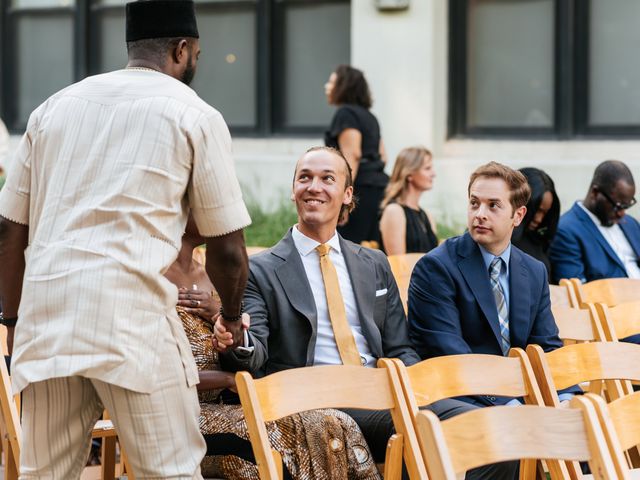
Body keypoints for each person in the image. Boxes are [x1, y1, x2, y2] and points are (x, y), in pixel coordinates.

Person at [0, 1, 251, 478]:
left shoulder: (53, 107)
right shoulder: (195, 115)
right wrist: (234, 317)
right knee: (171, 471)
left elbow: (9, 231)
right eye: (196, 52)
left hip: (49, 316)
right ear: (183, 49)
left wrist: (12, 319)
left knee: (43, 474)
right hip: (132, 321)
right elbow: (228, 249)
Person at [214, 147, 510, 480]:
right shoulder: (262, 270)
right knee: (445, 431)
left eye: (328, 178)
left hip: (382, 392)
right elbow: (254, 353)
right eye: (305, 177)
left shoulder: (373, 263)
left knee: (493, 431)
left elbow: (400, 347)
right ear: (292, 190)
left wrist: (415, 390)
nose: (314, 186)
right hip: (313, 402)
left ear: (347, 194)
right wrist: (236, 339)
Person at [166, 217, 381, 480]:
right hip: (180, 414)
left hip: (236, 401)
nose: (217, 212)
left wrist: (218, 316)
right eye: (202, 203)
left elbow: (240, 348)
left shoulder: (215, 275)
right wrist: (229, 379)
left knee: (336, 423)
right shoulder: (153, 278)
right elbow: (155, 374)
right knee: (312, 429)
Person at [408, 162, 580, 412]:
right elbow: (451, 355)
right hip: (460, 397)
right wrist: (510, 404)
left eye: (493, 205)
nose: (480, 214)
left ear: (518, 216)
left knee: (590, 420)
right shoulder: (436, 267)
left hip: (520, 397)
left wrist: (565, 398)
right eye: (474, 203)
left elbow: (547, 346)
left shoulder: (533, 271)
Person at [324, 65, 389, 245]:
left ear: (343, 86)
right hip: (381, 188)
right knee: (372, 251)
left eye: (331, 82)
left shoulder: (345, 114)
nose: (327, 86)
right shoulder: (370, 117)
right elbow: (383, 156)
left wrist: (345, 201)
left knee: (345, 250)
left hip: (359, 191)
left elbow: (352, 155)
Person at [549, 160, 640, 284]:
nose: (622, 213)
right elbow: (576, 293)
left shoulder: (630, 224)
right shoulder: (566, 231)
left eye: (626, 206)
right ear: (595, 193)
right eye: (618, 206)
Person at [379, 146, 438, 255]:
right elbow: (398, 265)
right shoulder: (394, 211)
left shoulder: (427, 216)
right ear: (409, 174)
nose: (434, 174)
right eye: (427, 168)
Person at [511, 167, 560, 280]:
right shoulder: (498, 240)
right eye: (536, 210)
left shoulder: (538, 240)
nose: (539, 219)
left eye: (545, 213)